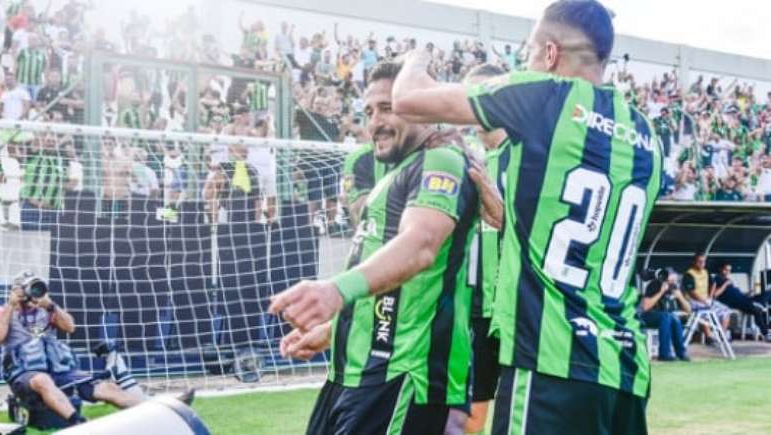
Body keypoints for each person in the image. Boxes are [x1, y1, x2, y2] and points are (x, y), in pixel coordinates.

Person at [390, 1, 659, 433]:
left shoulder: (544, 95)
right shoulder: (647, 133)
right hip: (625, 368)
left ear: (549, 54)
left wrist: (415, 55)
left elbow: (405, 100)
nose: (525, 63)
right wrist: (511, 216)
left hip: (550, 362)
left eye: (529, 53)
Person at [269, 61, 478, 435]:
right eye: (368, 112)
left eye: (387, 107)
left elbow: (420, 247)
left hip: (401, 373)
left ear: (423, 108)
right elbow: (392, 279)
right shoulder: (396, 173)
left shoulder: (441, 160)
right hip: (353, 373)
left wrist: (335, 290)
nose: (375, 122)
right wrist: (337, 329)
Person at [0, 272, 143, 426]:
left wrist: (51, 306)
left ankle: (149, 415)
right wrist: (11, 305)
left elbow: (70, 327)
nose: (34, 292)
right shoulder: (4, 312)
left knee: (107, 387)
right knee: (42, 380)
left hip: (59, 371)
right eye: (30, 287)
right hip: (25, 375)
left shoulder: (46, 310)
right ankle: (79, 423)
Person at [460, 63, 513, 435]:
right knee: (470, 416)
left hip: (517, 310)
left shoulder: (526, 156)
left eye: (484, 92)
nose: (476, 104)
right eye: (469, 96)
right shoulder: (466, 161)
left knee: (515, 413)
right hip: (475, 308)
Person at [639, 270, 691, 361]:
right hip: (648, 316)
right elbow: (645, 307)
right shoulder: (654, 285)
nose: (673, 282)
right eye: (670, 280)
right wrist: (661, 292)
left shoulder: (675, 288)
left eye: (675, 280)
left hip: (666, 318)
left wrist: (680, 297)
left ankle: (681, 353)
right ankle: (664, 354)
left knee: (674, 318)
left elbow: (688, 310)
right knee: (667, 316)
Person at [713, 262, 771, 340]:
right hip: (737, 303)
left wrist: (748, 293)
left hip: (745, 299)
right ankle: (766, 333)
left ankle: (759, 304)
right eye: (726, 270)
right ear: (721, 269)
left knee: (768, 293)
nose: (728, 272)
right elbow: (715, 294)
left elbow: (738, 294)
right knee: (757, 311)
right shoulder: (717, 279)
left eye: (729, 270)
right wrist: (725, 284)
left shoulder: (728, 280)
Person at [682, 252, 731, 341]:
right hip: (693, 301)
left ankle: (721, 336)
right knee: (704, 312)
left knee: (726, 310)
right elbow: (691, 292)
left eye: (703, 262)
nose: (702, 264)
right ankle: (709, 337)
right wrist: (704, 301)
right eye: (699, 262)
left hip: (706, 299)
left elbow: (713, 284)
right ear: (694, 262)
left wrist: (710, 297)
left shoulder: (705, 271)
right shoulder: (689, 274)